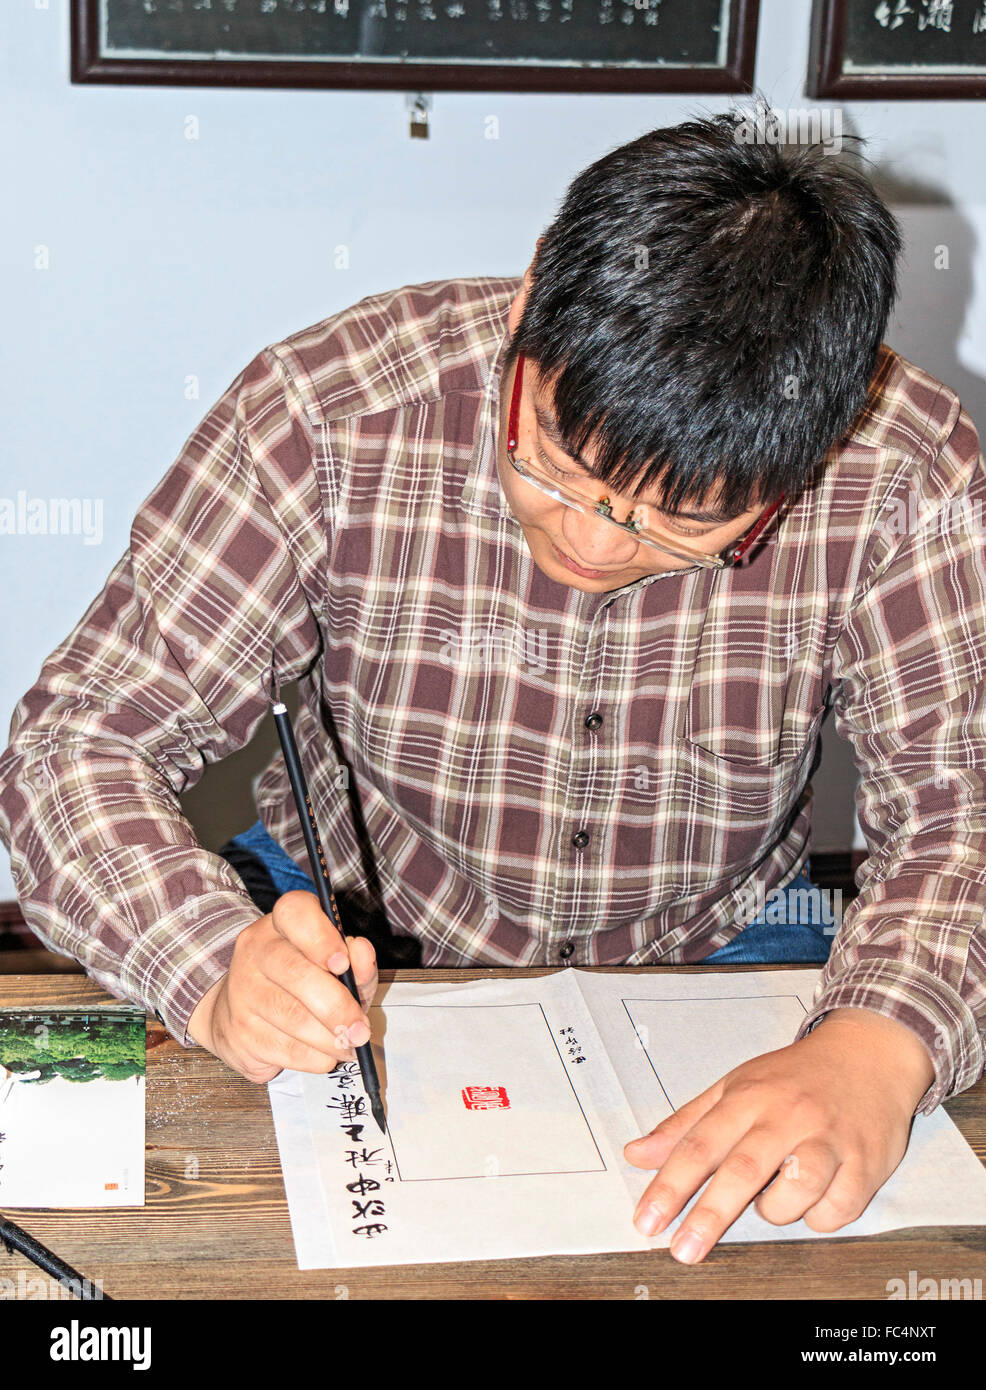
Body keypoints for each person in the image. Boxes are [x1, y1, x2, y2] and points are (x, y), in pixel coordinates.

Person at [1, 108, 983, 1266]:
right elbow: (78, 738)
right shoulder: (330, 410)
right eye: (555, 467)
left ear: (811, 452)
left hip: (715, 943)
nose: (596, 545)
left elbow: (959, 810)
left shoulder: (907, 472)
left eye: (684, 522)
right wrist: (210, 961)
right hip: (347, 936)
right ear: (525, 312)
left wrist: (877, 1042)